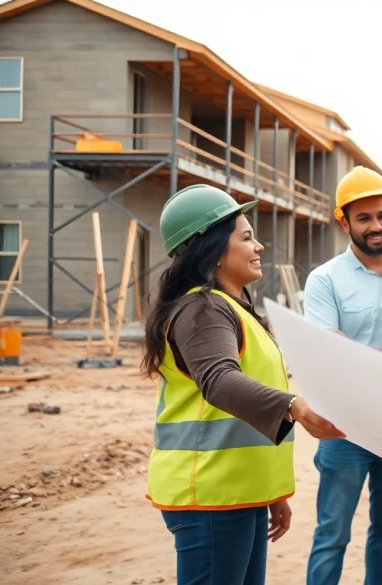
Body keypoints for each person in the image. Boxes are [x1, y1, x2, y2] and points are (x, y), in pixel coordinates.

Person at [143, 184, 344, 585]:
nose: (259, 246)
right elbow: (219, 381)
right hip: (211, 493)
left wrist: (271, 493)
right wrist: (294, 406)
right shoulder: (202, 310)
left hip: (237, 491)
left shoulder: (232, 309)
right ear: (213, 250)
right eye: (247, 237)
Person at [303, 166, 382, 585]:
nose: (376, 226)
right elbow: (327, 350)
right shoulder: (325, 280)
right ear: (344, 223)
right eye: (364, 218)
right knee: (332, 534)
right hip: (343, 426)